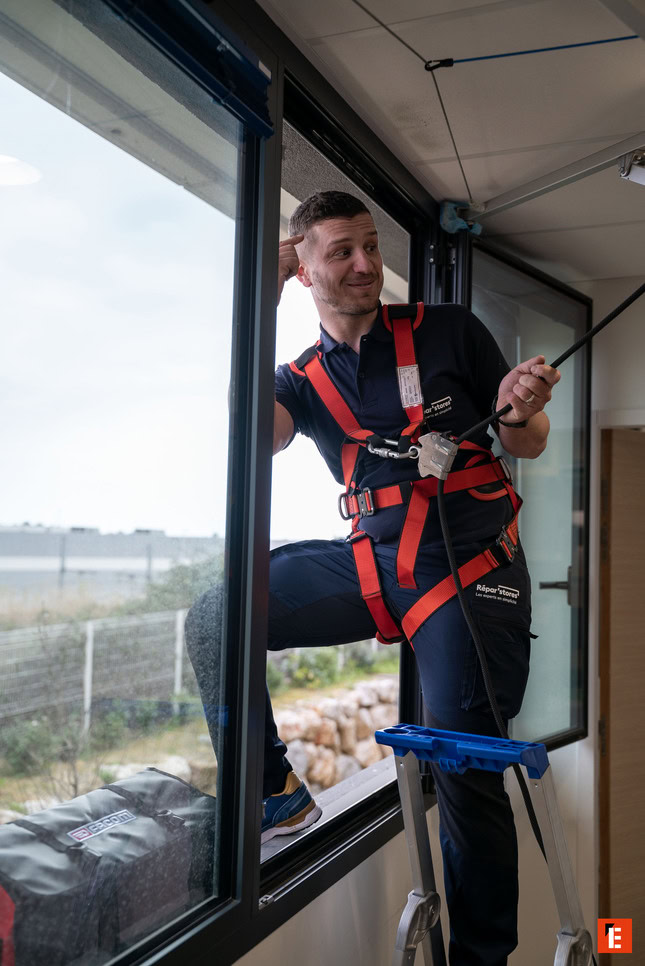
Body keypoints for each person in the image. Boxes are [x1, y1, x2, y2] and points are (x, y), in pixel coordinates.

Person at [185, 190, 560, 966]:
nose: (364, 265)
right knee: (220, 612)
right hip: (377, 564)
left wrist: (520, 407)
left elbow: (524, 440)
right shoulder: (298, 378)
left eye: (369, 246)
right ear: (302, 268)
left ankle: (481, 959)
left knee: (463, 767)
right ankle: (274, 795)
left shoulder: (448, 330)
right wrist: (260, 294)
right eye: (340, 252)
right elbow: (255, 435)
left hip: (469, 566)